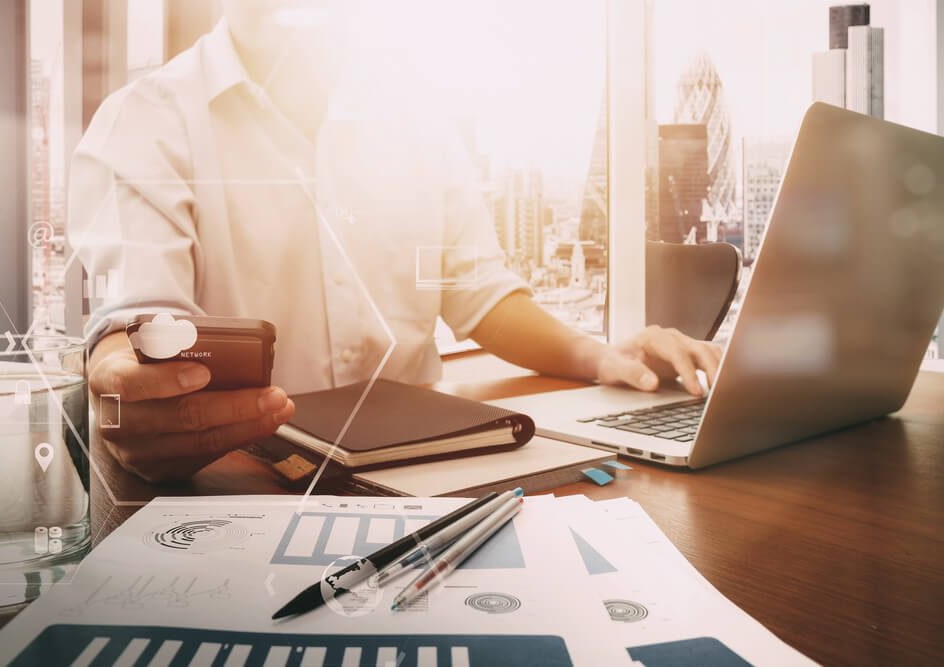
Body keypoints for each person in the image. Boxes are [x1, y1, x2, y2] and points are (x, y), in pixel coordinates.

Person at [70, 1, 721, 483]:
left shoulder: (416, 118)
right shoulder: (150, 121)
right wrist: (120, 375)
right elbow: (137, 329)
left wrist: (603, 356)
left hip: (436, 480)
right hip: (243, 487)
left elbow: (478, 294)